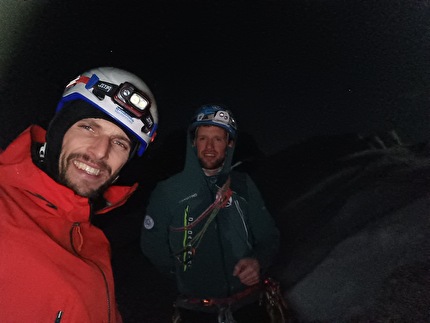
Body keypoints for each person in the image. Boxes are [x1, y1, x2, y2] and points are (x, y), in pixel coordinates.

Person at [0, 67, 158, 322]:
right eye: (89, 127)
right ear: (59, 131)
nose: (100, 152)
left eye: (120, 143)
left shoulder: (92, 238)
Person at [141, 104, 280, 322]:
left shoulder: (244, 184)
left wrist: (258, 262)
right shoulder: (168, 191)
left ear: (229, 143)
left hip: (249, 304)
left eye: (218, 139)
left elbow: (268, 236)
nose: (210, 147)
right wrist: (184, 275)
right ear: (193, 142)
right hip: (196, 312)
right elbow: (152, 245)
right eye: (203, 138)